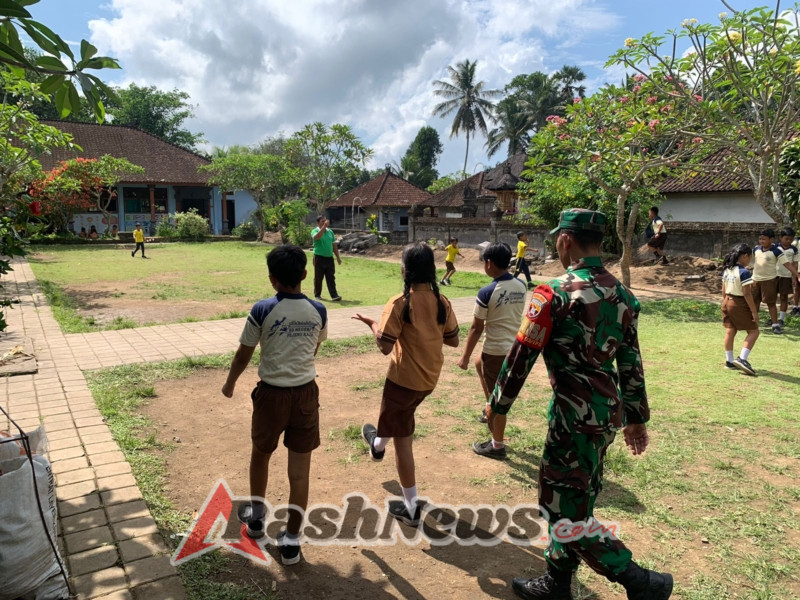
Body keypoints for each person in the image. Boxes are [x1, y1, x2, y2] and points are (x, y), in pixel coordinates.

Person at [488, 209, 673, 600]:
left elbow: (522, 355)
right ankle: (557, 582)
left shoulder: (551, 293)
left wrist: (497, 405)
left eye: (558, 236)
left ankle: (640, 580)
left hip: (573, 417)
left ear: (566, 240)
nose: (556, 242)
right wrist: (636, 419)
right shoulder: (622, 295)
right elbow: (630, 362)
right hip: (606, 413)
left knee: (561, 511)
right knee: (576, 498)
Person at [221, 244, 328, 565]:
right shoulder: (318, 310)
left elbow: (244, 352)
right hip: (306, 394)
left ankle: (256, 521)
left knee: (261, 456)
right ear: (305, 275)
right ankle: (292, 540)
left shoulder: (263, 309)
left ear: (272, 279)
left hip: (271, 396)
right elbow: (313, 349)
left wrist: (229, 383)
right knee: (300, 472)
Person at [355, 243, 459, 526]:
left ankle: (411, 508)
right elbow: (453, 339)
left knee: (403, 440)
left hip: (404, 381)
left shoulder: (400, 303)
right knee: (398, 420)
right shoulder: (442, 301)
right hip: (429, 379)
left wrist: (373, 324)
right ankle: (377, 443)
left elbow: (385, 347)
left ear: (404, 269)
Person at [457, 242, 527, 460]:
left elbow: (477, 328)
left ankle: (497, 445)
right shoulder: (521, 285)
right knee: (481, 364)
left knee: (498, 402)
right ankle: (489, 407)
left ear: (488, 263)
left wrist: (464, 356)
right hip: (514, 348)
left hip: (496, 351)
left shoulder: (487, 292)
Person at [721, 243, 760, 376]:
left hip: (727, 301)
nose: (750, 260)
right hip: (738, 302)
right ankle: (742, 359)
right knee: (754, 331)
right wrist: (754, 312)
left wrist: (725, 303)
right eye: (750, 257)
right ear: (744, 256)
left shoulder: (727, 270)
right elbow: (747, 294)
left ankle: (729, 361)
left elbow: (723, 290)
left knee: (730, 330)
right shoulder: (744, 272)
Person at [752, 228, 797, 334]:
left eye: (764, 239)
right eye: (760, 239)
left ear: (771, 240)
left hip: (769, 281)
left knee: (771, 303)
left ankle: (775, 325)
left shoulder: (776, 251)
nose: (762, 241)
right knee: (754, 302)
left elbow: (788, 264)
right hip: (755, 280)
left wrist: (797, 275)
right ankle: (753, 323)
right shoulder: (756, 249)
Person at [311, 215, 342, 301]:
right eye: (322, 221)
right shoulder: (315, 231)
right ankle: (317, 294)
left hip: (329, 258)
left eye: (325, 221)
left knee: (331, 277)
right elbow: (316, 237)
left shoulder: (330, 232)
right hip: (319, 257)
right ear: (318, 223)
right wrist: (324, 227)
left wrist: (338, 257)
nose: (325, 223)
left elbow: (334, 245)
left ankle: (334, 295)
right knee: (318, 277)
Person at [776, 227, 798, 327]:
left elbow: (794, 264)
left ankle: (781, 318)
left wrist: (794, 277)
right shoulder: (775, 248)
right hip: (774, 275)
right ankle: (773, 317)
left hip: (786, 276)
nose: (789, 241)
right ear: (781, 237)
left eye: (791, 239)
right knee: (771, 297)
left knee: (784, 297)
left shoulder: (794, 249)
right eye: (786, 239)